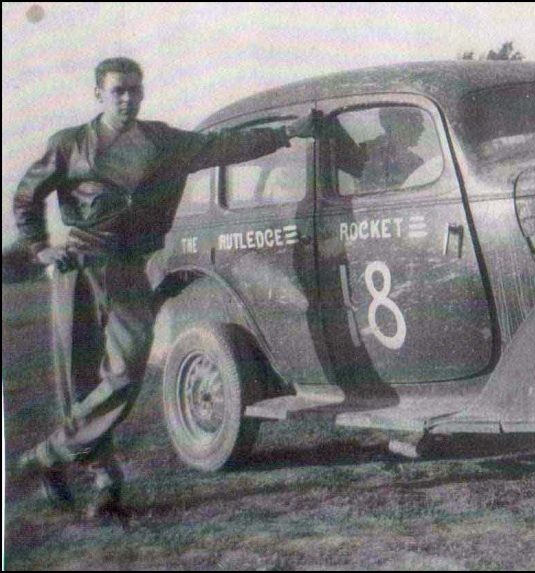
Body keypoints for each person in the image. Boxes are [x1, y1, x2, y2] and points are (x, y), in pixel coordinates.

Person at [11, 57, 317, 522]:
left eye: (134, 89)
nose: (127, 98)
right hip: (78, 270)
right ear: (98, 94)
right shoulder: (70, 144)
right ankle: (105, 484)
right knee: (80, 381)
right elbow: (26, 196)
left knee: (126, 372)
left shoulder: (162, 141)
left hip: (130, 270)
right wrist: (39, 247)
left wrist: (285, 134)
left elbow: (221, 146)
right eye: (117, 91)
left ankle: (47, 456)